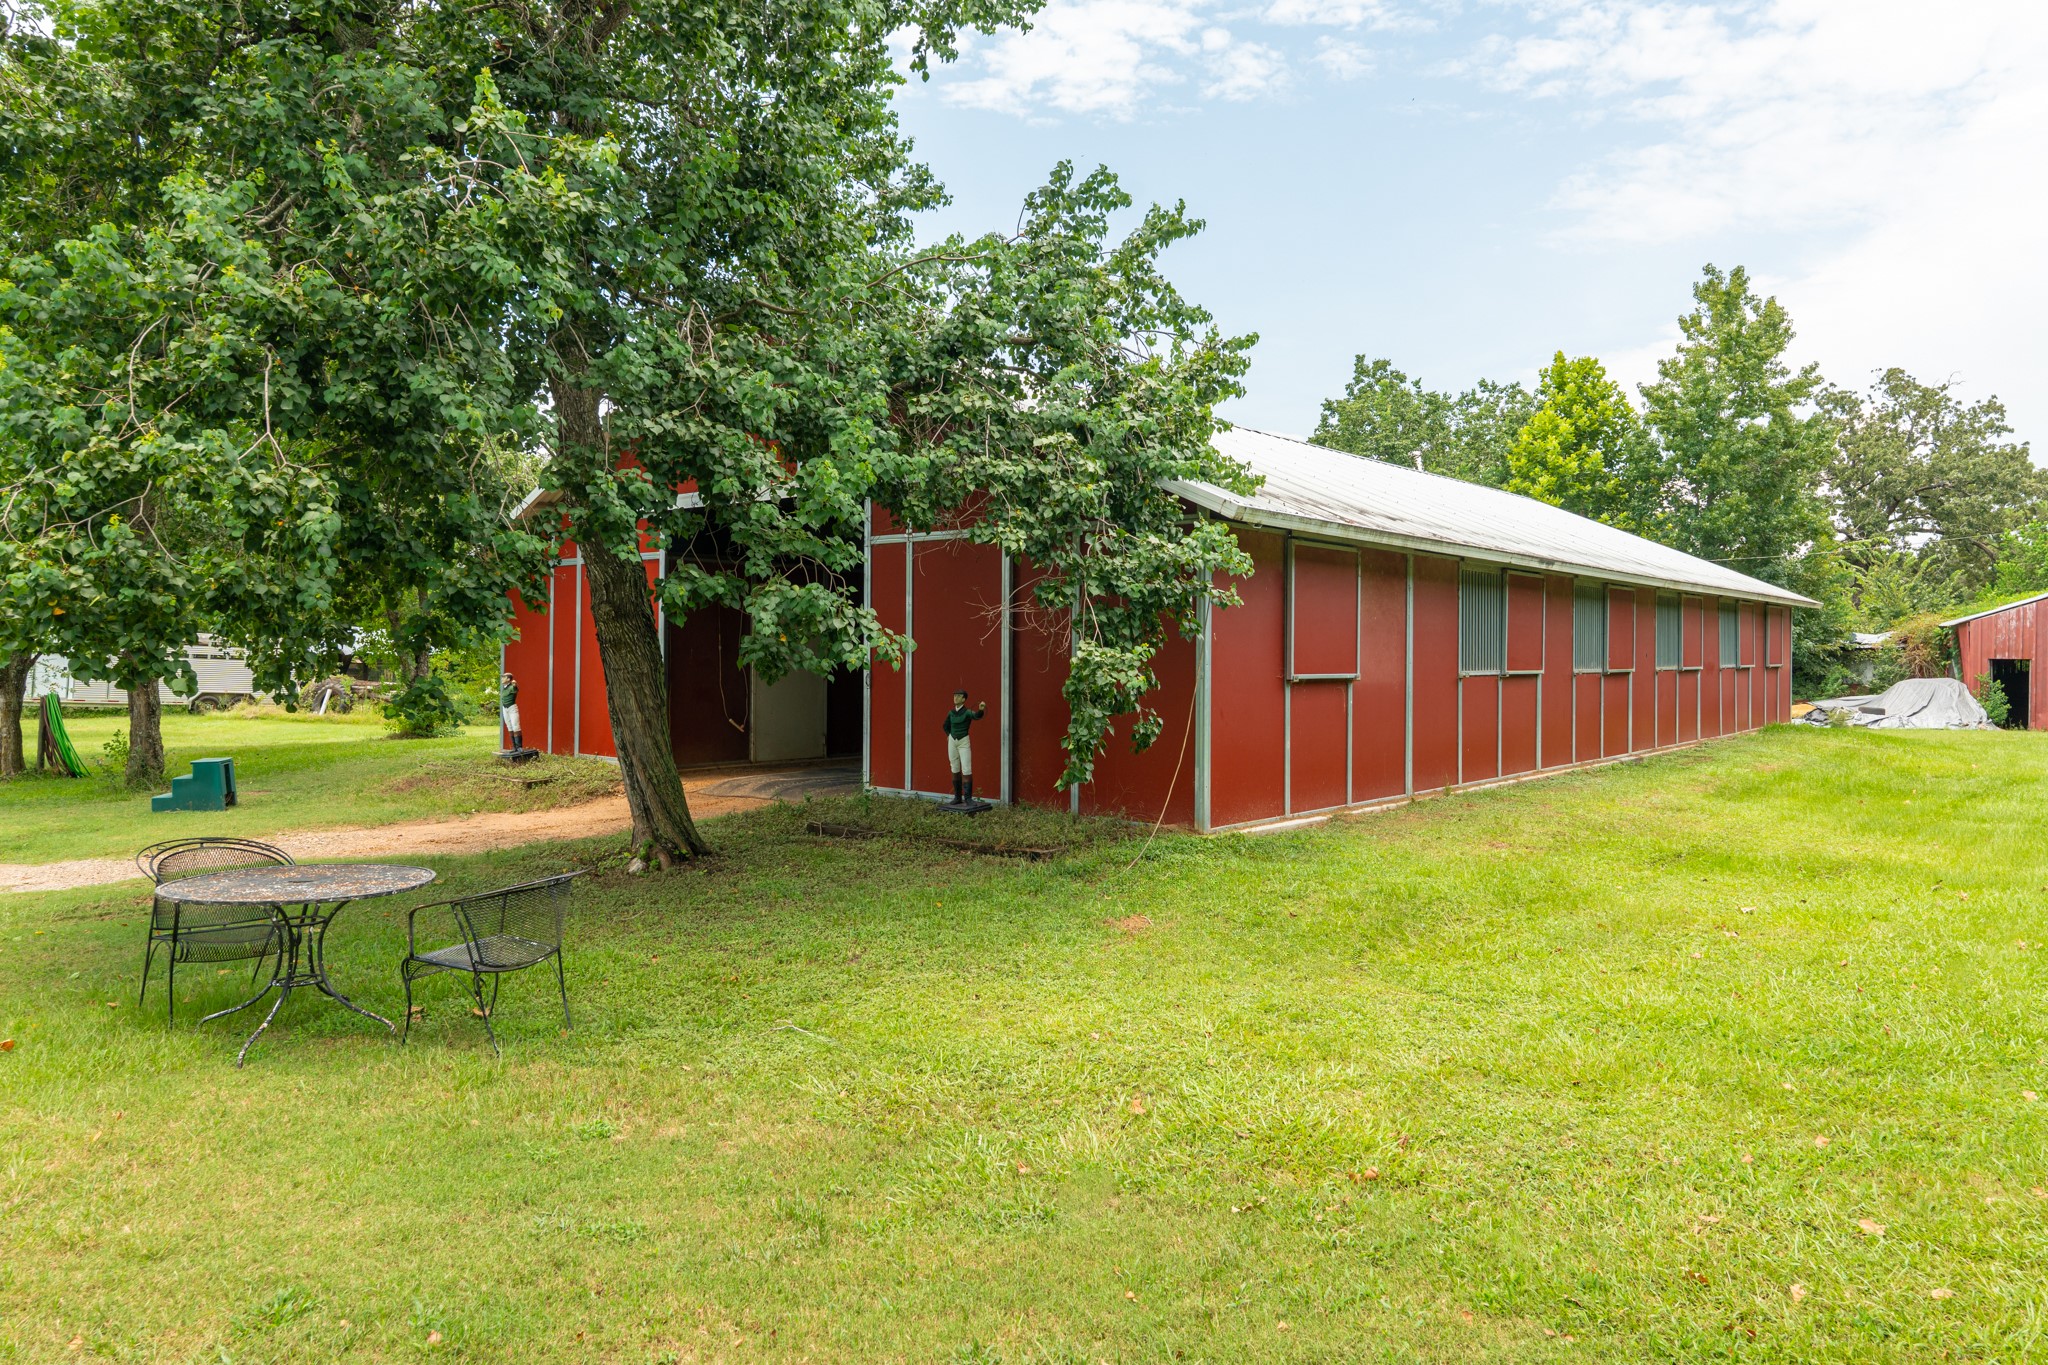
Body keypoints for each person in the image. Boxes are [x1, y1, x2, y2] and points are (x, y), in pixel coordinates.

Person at [941, 689, 987, 805]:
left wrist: (981, 710)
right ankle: (957, 797)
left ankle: (968, 798)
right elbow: (945, 725)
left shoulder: (967, 712)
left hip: (963, 741)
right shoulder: (951, 713)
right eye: (954, 695)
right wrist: (948, 735)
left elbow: (976, 716)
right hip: (952, 741)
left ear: (964, 699)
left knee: (966, 769)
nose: (955, 698)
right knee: (954, 768)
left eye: (959, 696)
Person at [499, 672, 523, 751]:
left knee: (515, 726)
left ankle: (519, 746)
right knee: (509, 726)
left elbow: (515, 688)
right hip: (505, 709)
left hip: (512, 708)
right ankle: (514, 747)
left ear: (508, 679)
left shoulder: (512, 687)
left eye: (504, 677)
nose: (502, 678)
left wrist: (515, 684)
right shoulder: (504, 688)